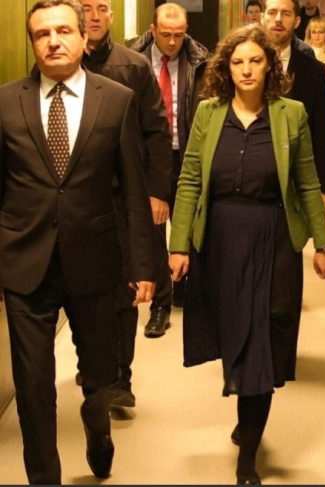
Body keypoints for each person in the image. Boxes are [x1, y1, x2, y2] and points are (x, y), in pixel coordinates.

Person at [0, 0, 156, 483]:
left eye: (63, 31)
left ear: (84, 37)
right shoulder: (6, 102)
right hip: (25, 262)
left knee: (100, 375)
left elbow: (133, 189)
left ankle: (96, 422)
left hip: (96, 259)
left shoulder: (116, 99)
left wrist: (142, 265)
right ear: (33, 43)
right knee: (33, 386)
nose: (53, 41)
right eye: (42, 34)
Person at [168, 24, 325, 484]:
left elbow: (307, 182)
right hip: (219, 238)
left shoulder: (290, 113)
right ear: (226, 68)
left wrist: (323, 244)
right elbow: (190, 179)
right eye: (237, 62)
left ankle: (249, 454)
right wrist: (178, 244)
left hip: (272, 237)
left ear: (269, 66)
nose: (246, 70)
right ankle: (246, 409)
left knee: (264, 337)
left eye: (255, 61)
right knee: (233, 331)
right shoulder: (208, 113)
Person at [80, 0, 172, 407]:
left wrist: (157, 191)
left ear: (112, 16)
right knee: (84, 288)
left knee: (124, 289)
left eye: (101, 8)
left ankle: (121, 378)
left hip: (122, 196)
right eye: (85, 8)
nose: (93, 16)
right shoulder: (62, 66)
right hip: (78, 199)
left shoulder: (133, 66)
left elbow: (156, 131)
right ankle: (93, 366)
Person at [127, 2, 210, 323]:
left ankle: (184, 286)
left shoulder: (201, 61)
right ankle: (160, 304)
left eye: (178, 35)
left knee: (188, 224)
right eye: (165, 35)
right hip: (147, 156)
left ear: (186, 30)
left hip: (186, 152)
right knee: (153, 229)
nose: (173, 42)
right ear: (152, 31)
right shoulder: (132, 60)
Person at [262, 0, 325, 207]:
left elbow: (321, 130)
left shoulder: (314, 71)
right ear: (262, 18)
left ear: (297, 21)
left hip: (295, 177)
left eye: (286, 14)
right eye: (272, 12)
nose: (278, 19)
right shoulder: (243, 64)